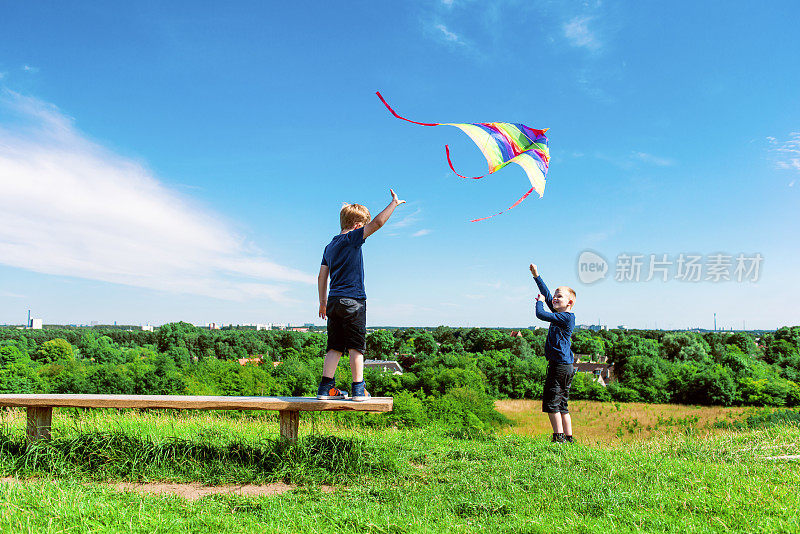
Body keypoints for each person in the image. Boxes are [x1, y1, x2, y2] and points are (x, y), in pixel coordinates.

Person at [316, 189, 405, 401]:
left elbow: (321, 277)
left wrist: (322, 303)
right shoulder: (352, 239)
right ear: (358, 226)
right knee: (356, 346)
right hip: (353, 301)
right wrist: (393, 204)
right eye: (362, 226)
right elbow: (377, 224)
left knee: (334, 347)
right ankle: (358, 389)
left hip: (334, 302)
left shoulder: (329, 246)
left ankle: (326, 389)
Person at [529, 263, 577, 443]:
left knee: (552, 403)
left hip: (559, 366)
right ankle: (569, 438)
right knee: (562, 404)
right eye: (555, 296)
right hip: (565, 366)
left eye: (560, 296)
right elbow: (548, 295)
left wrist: (539, 303)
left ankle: (558, 438)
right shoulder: (562, 314)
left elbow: (541, 314)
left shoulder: (565, 317)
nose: (554, 298)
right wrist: (536, 276)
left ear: (569, 302)